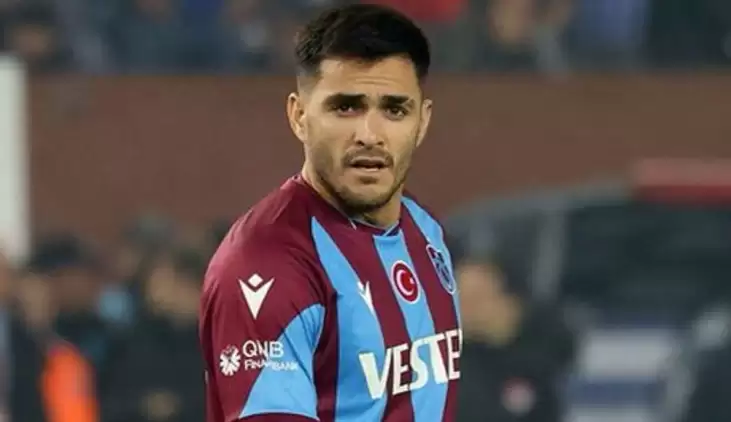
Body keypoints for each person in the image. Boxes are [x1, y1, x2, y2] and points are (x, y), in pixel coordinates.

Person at [199, 4, 462, 422]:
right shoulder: (265, 267)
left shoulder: (424, 230)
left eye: (395, 110)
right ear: (299, 116)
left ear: (423, 121)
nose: (370, 135)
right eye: (346, 107)